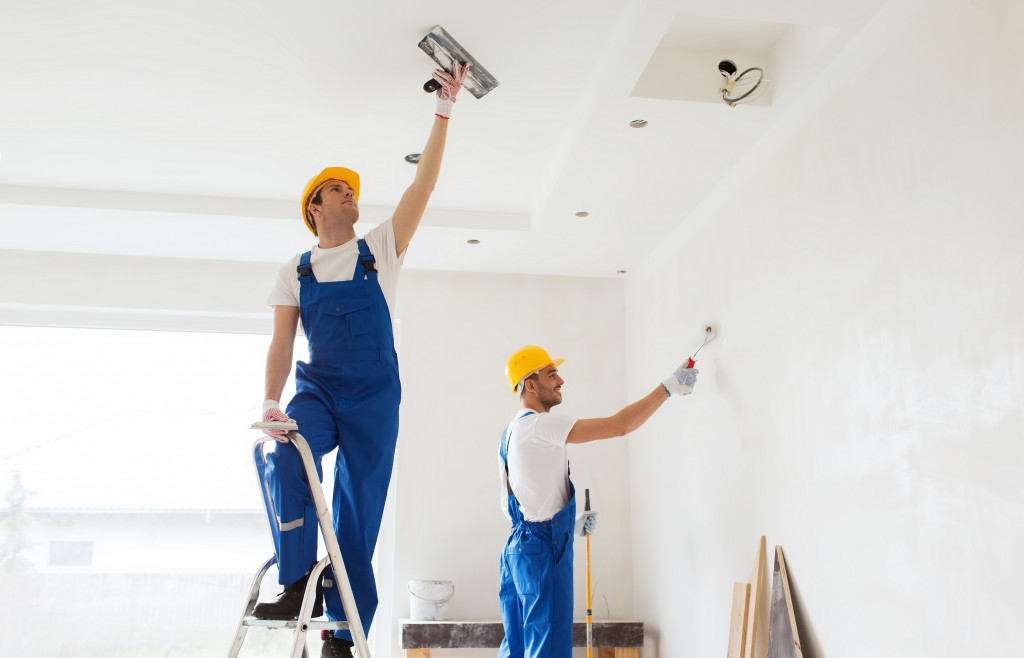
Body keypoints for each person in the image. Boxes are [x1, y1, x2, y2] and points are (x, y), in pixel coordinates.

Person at [253, 63, 470, 658]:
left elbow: (420, 187)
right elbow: (281, 343)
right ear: (314, 209)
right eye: (336, 189)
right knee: (288, 455)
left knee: (359, 514)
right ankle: (296, 580)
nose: (349, 192)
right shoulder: (294, 270)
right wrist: (271, 403)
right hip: (319, 388)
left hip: (375, 396)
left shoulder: (380, 250)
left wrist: (444, 111)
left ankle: (342, 635)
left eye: (351, 188)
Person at [498, 345, 698, 658]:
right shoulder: (539, 425)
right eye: (552, 374)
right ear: (531, 385)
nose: (561, 380)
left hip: (518, 551)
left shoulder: (510, 433)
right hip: (541, 552)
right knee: (547, 651)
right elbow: (619, 426)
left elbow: (524, 500)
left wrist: (571, 526)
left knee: (517, 649)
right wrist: (668, 387)